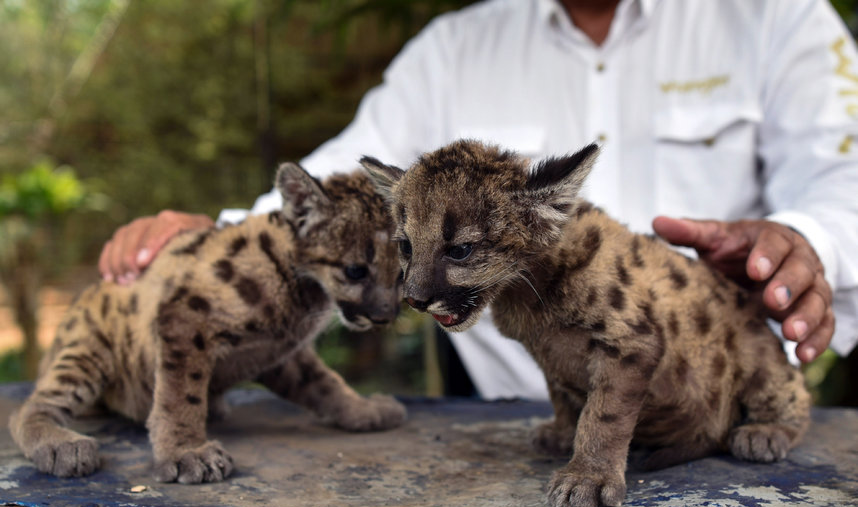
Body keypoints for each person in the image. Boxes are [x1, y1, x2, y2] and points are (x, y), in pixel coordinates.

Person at [99, 0, 858, 400]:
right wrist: (219, 236)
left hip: (714, 417)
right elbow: (345, 187)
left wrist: (805, 241)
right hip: (510, 440)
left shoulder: (778, 17)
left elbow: (843, 177)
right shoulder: (454, 48)